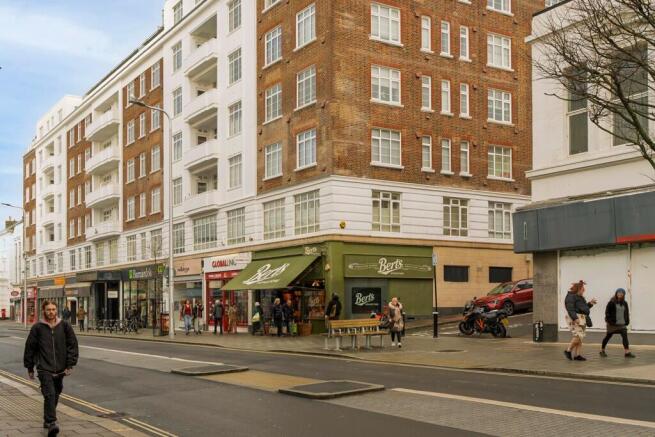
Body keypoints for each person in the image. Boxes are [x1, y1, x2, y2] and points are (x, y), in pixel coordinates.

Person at [23, 300, 79, 436]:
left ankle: (47, 419)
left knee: (56, 392)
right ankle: (51, 422)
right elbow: (30, 348)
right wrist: (30, 367)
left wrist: (70, 364)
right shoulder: (37, 328)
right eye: (48, 309)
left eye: (53, 309)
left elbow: (72, 345)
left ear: (56, 310)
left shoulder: (64, 326)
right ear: (44, 310)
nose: (51, 312)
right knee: (49, 394)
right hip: (44, 367)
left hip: (60, 368)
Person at [564, 280, 597, 361]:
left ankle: (577, 355)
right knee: (578, 336)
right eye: (582, 289)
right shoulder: (570, 297)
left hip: (582, 318)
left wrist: (590, 303)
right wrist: (575, 318)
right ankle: (568, 350)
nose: (583, 291)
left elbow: (583, 308)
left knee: (580, 337)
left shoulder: (580, 297)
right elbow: (570, 309)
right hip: (575, 318)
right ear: (578, 289)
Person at [600, 288, 635, 358]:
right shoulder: (611, 302)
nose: (620, 294)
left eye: (621, 293)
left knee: (625, 336)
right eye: (618, 292)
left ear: (623, 295)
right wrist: (609, 321)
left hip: (621, 324)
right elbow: (607, 313)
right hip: (612, 324)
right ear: (616, 293)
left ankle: (627, 352)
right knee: (608, 337)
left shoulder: (625, 303)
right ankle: (602, 350)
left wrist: (627, 321)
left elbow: (626, 313)